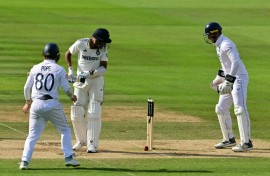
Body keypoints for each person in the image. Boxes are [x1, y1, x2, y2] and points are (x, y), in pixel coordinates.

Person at [19, 43, 80, 170]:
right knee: (65, 130)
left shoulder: (35, 68)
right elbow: (66, 88)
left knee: (32, 135)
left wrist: (27, 103)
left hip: (36, 105)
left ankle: (24, 161)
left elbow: (26, 87)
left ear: (43, 55)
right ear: (57, 56)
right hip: (52, 105)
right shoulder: (59, 69)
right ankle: (69, 157)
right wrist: (72, 97)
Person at [204, 22, 253, 152]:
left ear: (215, 34)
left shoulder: (226, 44)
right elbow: (226, 65)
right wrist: (219, 78)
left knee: (240, 109)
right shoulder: (219, 45)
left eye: (209, 35)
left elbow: (236, 62)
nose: (208, 38)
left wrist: (229, 81)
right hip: (229, 78)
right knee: (221, 108)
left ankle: (247, 143)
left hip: (239, 78)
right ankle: (229, 139)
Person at [65, 28, 112, 153]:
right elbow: (68, 53)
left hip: (96, 81)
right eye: (101, 41)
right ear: (94, 38)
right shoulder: (81, 43)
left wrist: (91, 72)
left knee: (94, 110)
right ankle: (81, 140)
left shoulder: (103, 49)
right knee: (77, 110)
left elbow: (104, 68)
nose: (102, 44)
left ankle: (92, 144)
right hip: (81, 80)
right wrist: (70, 69)